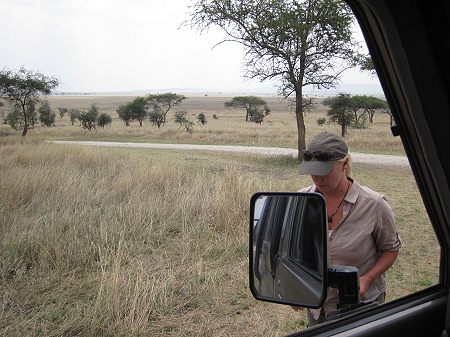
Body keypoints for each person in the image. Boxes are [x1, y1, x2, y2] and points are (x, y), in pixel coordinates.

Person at [295, 131, 402, 326]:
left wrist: (367, 278)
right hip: (317, 305)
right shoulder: (301, 200)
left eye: (324, 171)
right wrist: (294, 288)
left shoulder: (374, 205)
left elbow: (391, 249)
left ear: (344, 165)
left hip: (360, 306)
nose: (317, 179)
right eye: (313, 171)